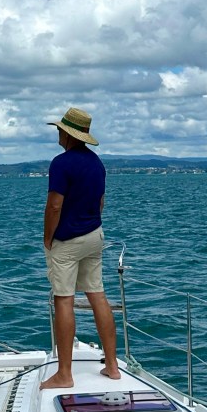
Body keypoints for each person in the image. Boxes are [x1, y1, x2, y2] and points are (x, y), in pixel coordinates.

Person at [40, 106, 121, 390]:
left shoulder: (61, 163)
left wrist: (48, 238)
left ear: (68, 134)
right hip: (94, 235)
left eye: (60, 130)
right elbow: (100, 203)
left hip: (68, 242)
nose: (58, 134)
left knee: (64, 299)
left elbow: (54, 206)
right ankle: (112, 366)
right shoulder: (97, 163)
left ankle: (64, 374)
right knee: (98, 295)